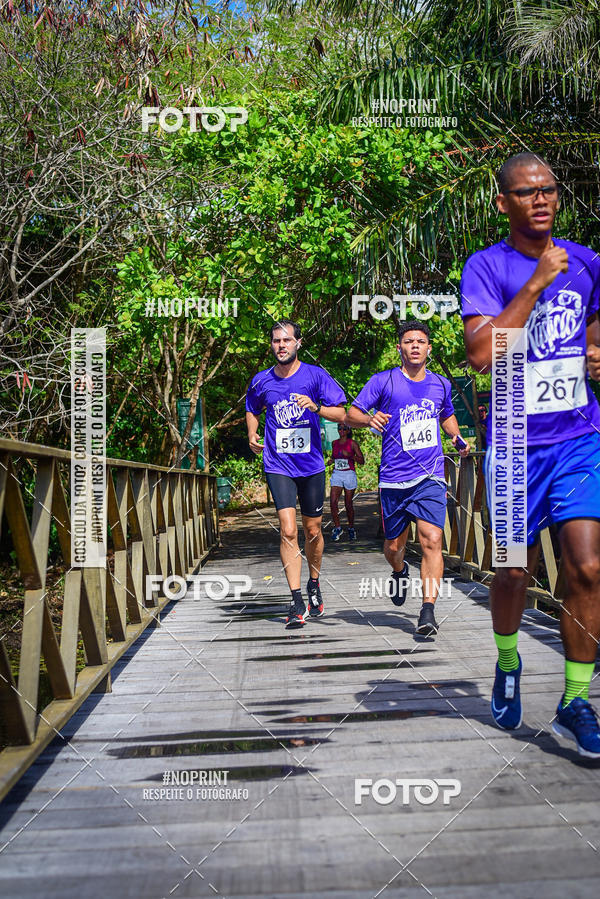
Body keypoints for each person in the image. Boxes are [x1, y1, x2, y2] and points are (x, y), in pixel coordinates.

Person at [462, 151, 600, 757]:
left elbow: (593, 329)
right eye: (526, 192)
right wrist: (539, 281)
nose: (540, 199)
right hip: (515, 441)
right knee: (514, 569)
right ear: (503, 203)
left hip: (576, 438)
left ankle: (574, 699)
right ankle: (510, 659)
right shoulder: (487, 267)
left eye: (548, 189)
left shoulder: (588, 261)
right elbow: (481, 353)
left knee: (587, 567)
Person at [346, 320, 470, 636]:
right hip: (393, 478)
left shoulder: (441, 384)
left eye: (420, 341)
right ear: (399, 347)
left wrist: (456, 438)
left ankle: (427, 611)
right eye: (408, 341)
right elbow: (352, 414)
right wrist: (369, 418)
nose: (415, 345)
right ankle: (399, 571)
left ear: (429, 347)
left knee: (432, 538)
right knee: (393, 547)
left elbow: (446, 416)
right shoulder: (383, 381)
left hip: (430, 475)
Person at [246, 320, 346, 628]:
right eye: (276, 341)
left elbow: (342, 411)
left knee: (313, 531)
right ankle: (295, 600)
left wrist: (315, 408)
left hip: (311, 466)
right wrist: (252, 434)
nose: (281, 346)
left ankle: (313, 583)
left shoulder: (315, 376)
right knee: (288, 530)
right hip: (278, 465)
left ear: (298, 343)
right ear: (272, 345)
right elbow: (251, 407)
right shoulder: (262, 381)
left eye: (287, 340)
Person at [328, 423, 364, 541]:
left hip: (349, 474)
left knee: (348, 504)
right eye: (339, 428)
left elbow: (362, 461)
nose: (341, 430)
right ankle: (338, 527)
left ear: (348, 430)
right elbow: (335, 457)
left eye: (344, 428)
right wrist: (331, 461)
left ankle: (351, 528)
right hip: (337, 473)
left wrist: (350, 456)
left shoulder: (352, 444)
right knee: (333, 502)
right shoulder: (334, 443)